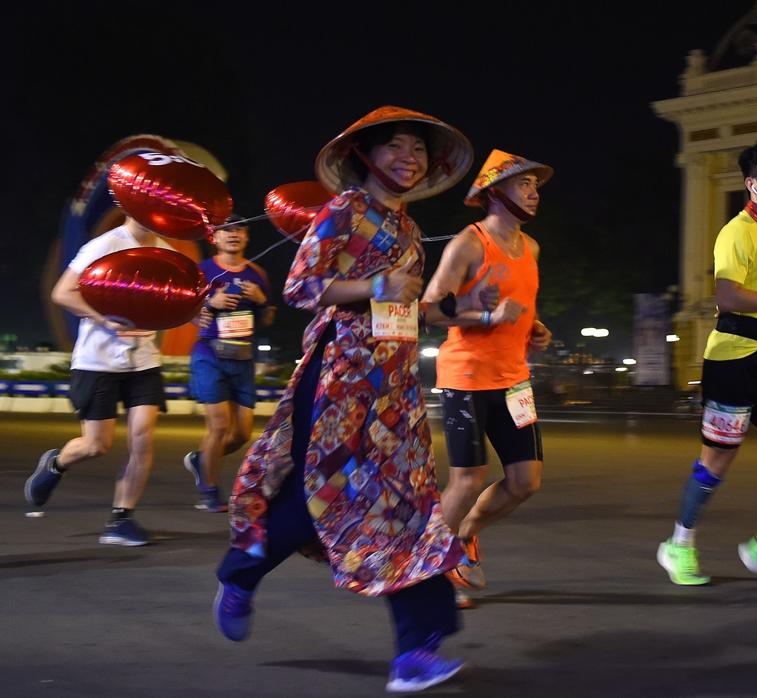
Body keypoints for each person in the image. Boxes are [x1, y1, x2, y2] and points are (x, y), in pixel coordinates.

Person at [211, 106, 476, 693]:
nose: (410, 158)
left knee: (409, 506)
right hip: (337, 376)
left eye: (419, 151)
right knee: (318, 495)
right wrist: (374, 285)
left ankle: (415, 652)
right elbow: (302, 286)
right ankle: (240, 572)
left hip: (395, 386)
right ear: (366, 155)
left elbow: (405, 312)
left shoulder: (408, 230)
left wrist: (461, 308)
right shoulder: (345, 211)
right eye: (396, 147)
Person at [656, 133, 757, 589]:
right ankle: (679, 544)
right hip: (732, 359)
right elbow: (726, 297)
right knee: (717, 461)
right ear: (751, 184)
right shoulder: (735, 233)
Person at [423, 150, 553, 608]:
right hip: (466, 377)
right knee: (467, 480)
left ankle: (466, 535)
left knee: (525, 482)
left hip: (514, 379)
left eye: (536, 185)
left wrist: (534, 329)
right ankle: (431, 568)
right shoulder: (469, 243)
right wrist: (484, 313)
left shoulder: (531, 247)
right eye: (524, 185)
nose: (534, 193)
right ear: (495, 193)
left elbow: (522, 307)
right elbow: (430, 308)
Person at [25, 214, 174, 546]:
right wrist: (104, 320)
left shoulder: (165, 251)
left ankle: (121, 518)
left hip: (143, 360)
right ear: (128, 204)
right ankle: (57, 462)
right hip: (98, 360)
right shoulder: (105, 245)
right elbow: (62, 293)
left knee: (142, 437)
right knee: (96, 445)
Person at [183, 216, 275, 512]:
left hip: (243, 357)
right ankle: (208, 492)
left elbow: (268, 319)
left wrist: (261, 300)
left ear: (246, 236)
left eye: (239, 230)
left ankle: (201, 460)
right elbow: (186, 311)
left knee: (241, 434)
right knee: (220, 426)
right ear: (214, 238)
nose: (232, 235)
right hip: (209, 353)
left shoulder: (258, 273)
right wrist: (211, 303)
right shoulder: (202, 271)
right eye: (226, 231)